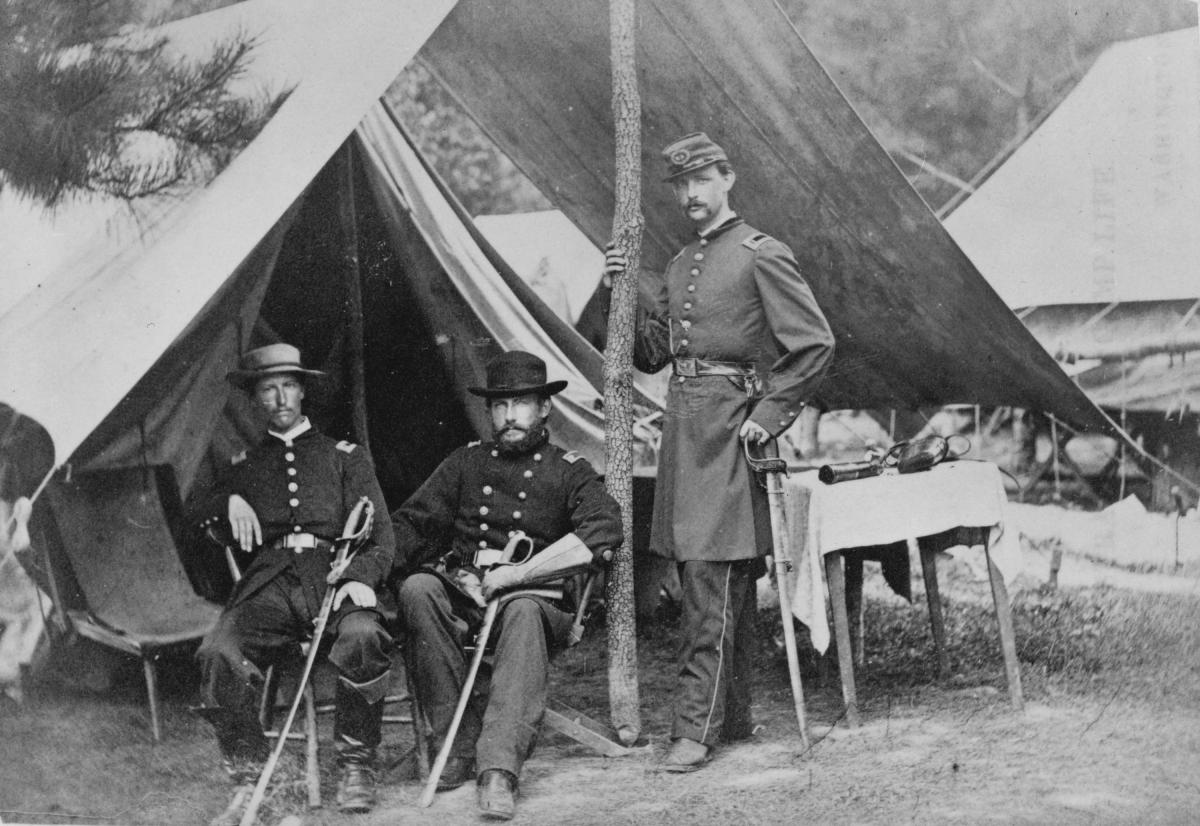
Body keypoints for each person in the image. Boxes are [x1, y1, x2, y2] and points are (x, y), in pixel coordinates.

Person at [604, 132, 834, 771]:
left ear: (727, 178)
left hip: (732, 427)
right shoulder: (678, 265)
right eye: (680, 185)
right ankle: (730, 716)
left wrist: (769, 415)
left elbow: (813, 344)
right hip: (685, 429)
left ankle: (693, 728)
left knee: (712, 577)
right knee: (711, 576)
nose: (691, 194)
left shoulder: (762, 254)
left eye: (702, 179)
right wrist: (619, 291)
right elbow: (653, 356)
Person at [391, 350, 622, 821]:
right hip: (469, 596)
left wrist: (517, 575)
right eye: (499, 405)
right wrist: (369, 576)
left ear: (543, 409)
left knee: (522, 610)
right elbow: (408, 526)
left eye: (520, 404)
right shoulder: (465, 463)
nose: (509, 415)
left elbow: (602, 530)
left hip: (538, 603)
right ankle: (455, 746)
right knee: (418, 590)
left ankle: (498, 770)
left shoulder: (569, 469)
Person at [194, 343, 395, 818]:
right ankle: (250, 775)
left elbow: (382, 533)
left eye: (288, 386)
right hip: (272, 584)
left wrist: (361, 576)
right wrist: (227, 503)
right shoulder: (244, 465)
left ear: (302, 391)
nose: (280, 398)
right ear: (256, 399)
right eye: (268, 389)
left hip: (337, 575)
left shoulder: (345, 457)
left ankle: (356, 765)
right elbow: (193, 514)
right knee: (219, 651)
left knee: (364, 635)